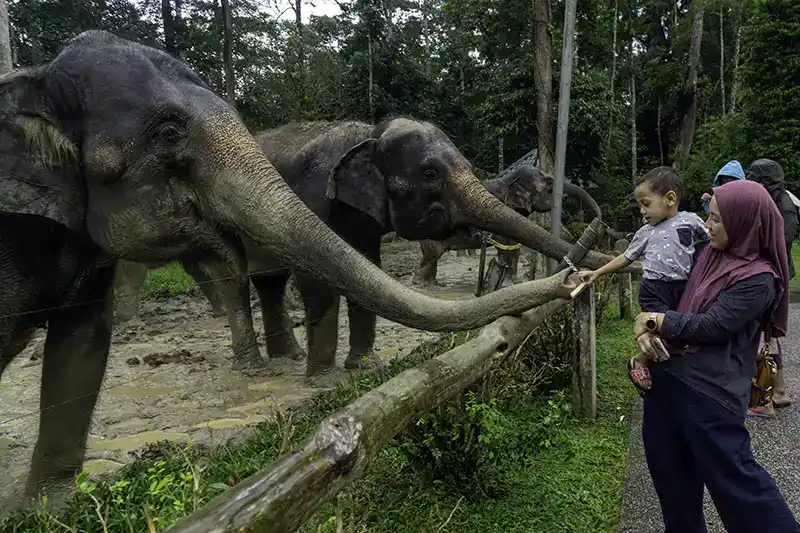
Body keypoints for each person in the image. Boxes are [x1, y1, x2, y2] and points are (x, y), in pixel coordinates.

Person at [633, 179, 799, 533]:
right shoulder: (708, 253)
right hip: (667, 382)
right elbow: (669, 295)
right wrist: (646, 327)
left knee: (739, 487)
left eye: (717, 220)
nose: (707, 226)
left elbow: (712, 326)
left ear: (744, 223)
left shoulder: (758, 278)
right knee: (671, 479)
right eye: (709, 217)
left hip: (710, 394)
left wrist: (657, 320)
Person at [579, 167, 708, 395]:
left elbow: (711, 240)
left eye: (646, 204)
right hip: (654, 289)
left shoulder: (691, 221)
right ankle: (641, 362)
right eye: (640, 205)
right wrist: (597, 272)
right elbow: (625, 257)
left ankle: (646, 363)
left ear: (670, 199)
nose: (641, 211)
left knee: (678, 336)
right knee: (661, 332)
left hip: (682, 288)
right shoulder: (645, 233)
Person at [746, 158, 797, 416]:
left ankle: (766, 398)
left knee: (765, 332)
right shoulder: (773, 199)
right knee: (768, 333)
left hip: (773, 273)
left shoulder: (784, 206)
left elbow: (779, 241)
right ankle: (778, 391)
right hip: (770, 270)